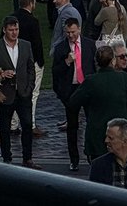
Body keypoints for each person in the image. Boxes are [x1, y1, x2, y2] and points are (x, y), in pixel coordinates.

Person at [69, 45, 127, 163]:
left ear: (96, 62)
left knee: (98, 174)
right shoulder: (123, 77)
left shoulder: (91, 81)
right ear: (113, 60)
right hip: (120, 133)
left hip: (97, 135)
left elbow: (73, 103)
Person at [0, 16, 37, 167]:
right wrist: (1, 75)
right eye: (11, 30)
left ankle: (27, 158)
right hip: (6, 94)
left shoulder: (26, 45)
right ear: (4, 30)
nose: (14, 33)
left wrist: (29, 88)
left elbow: (30, 69)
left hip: (23, 93)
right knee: (5, 128)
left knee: (27, 125)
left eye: (16, 29)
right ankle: (6, 158)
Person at [52, 17, 96, 172]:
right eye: (68, 32)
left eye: (73, 32)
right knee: (72, 127)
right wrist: (66, 62)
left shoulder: (90, 45)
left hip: (88, 89)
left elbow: (94, 67)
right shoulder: (61, 48)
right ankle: (74, 159)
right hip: (71, 91)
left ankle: (92, 155)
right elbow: (55, 73)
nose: (70, 35)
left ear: (79, 29)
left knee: (92, 123)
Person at [11, 0, 46, 141]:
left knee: (14, 92)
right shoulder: (33, 21)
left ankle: (13, 125)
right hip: (30, 63)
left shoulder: (11, 18)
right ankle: (30, 124)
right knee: (32, 93)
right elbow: (36, 44)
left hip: (14, 61)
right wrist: (40, 62)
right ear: (31, 3)